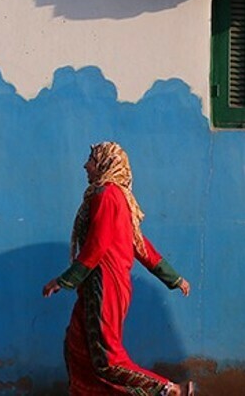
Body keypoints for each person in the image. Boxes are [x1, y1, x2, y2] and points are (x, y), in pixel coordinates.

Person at [43, 142, 195, 396]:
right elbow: (140, 244)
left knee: (107, 361)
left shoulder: (106, 195)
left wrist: (64, 280)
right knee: (78, 346)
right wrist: (174, 278)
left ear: (105, 163)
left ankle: (169, 390)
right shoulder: (118, 197)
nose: (86, 165)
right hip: (100, 286)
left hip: (105, 286)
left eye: (91, 159)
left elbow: (97, 245)